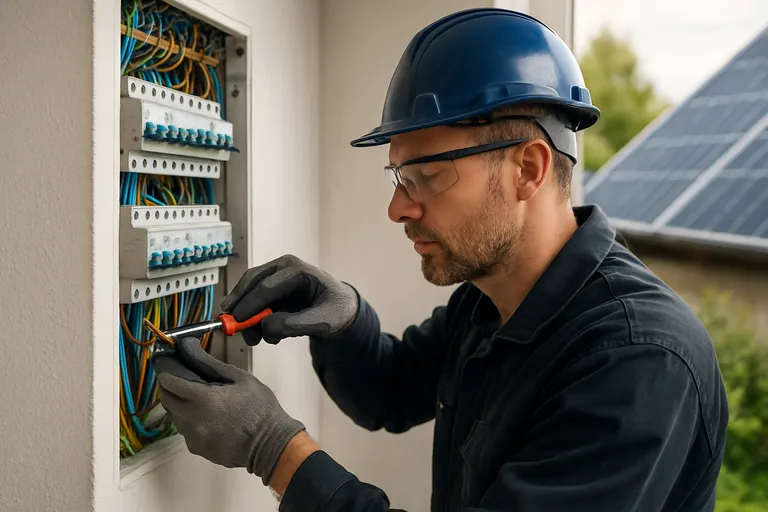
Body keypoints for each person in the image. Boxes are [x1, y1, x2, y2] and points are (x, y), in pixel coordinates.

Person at [152, 8, 729, 511]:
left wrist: (273, 451)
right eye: (400, 176)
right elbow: (394, 389)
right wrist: (345, 319)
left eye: (426, 176)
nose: (398, 208)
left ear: (528, 168)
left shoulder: (637, 361)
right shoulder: (492, 297)